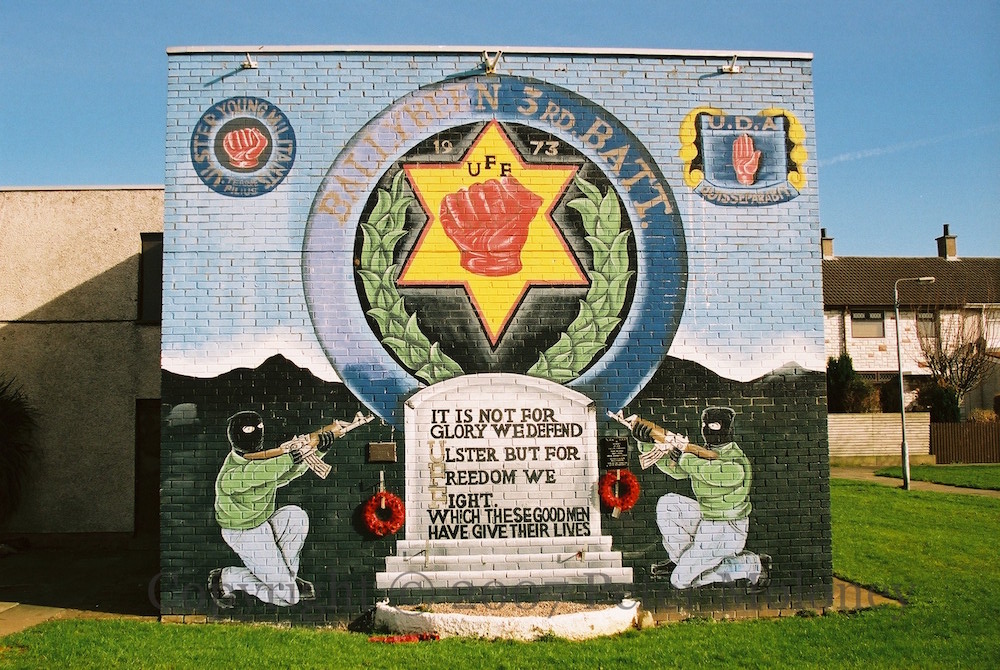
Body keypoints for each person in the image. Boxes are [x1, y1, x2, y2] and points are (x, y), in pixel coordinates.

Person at [208, 411, 359, 608]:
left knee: (296, 516)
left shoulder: (264, 461)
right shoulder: (231, 474)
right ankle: (228, 577)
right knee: (289, 598)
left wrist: (318, 451)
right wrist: (289, 457)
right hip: (243, 533)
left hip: (263, 524)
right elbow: (259, 473)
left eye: (259, 428)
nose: (257, 434)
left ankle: (284, 578)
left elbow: (285, 475)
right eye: (249, 430)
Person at [632, 406, 770, 591]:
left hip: (727, 528)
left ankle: (752, 565)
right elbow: (677, 472)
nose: (707, 430)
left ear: (728, 429)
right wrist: (647, 443)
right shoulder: (700, 453)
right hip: (707, 519)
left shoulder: (735, 459)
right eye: (704, 425)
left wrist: (685, 457)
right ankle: (682, 561)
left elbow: (714, 473)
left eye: (714, 426)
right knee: (668, 504)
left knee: (679, 581)